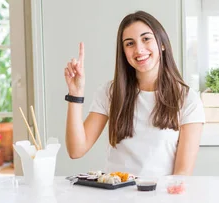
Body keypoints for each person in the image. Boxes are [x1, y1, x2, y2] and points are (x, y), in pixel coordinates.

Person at [63, 10, 205, 176]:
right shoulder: (110, 93)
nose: (139, 49)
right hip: (116, 197)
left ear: (162, 43)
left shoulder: (187, 100)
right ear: (123, 52)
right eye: (130, 43)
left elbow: (182, 174)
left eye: (146, 39)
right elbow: (76, 150)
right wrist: (75, 93)